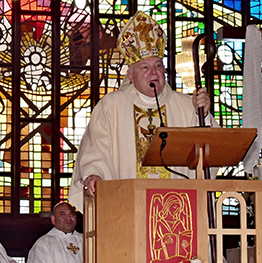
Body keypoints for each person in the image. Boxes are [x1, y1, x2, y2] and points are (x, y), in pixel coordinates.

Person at [68, 11, 216, 210]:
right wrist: (94, 174)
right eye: (144, 67)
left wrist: (204, 115)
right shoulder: (111, 106)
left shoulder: (186, 105)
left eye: (157, 65)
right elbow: (96, 149)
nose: (153, 72)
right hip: (127, 209)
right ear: (130, 74)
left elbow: (209, 156)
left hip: (179, 211)